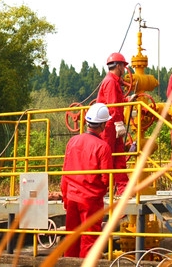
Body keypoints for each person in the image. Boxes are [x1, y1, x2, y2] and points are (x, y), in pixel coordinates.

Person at [61, 103, 114, 258]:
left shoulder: (73, 141)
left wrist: (65, 197)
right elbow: (106, 179)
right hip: (91, 201)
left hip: (71, 198)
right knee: (89, 240)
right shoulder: (103, 147)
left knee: (71, 237)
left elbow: (65, 173)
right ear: (103, 125)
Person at [96, 52, 130, 195]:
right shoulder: (110, 81)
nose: (124, 69)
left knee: (118, 156)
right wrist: (118, 123)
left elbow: (117, 101)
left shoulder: (113, 81)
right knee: (107, 157)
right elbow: (112, 104)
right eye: (123, 65)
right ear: (118, 66)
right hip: (108, 125)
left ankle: (123, 189)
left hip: (112, 124)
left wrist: (129, 100)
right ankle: (102, 189)